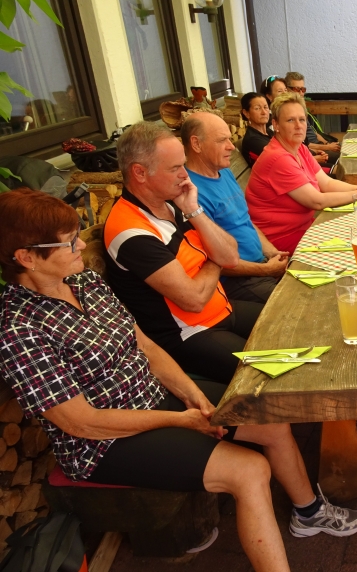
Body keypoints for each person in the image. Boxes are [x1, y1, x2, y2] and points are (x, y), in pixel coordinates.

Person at [0, 189, 357, 572]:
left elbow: (145, 346)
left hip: (153, 397)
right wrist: (183, 419)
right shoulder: (18, 329)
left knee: (268, 420)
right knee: (249, 470)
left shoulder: (84, 282)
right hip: (103, 444)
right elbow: (81, 423)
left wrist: (194, 397)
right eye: (68, 242)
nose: (79, 246)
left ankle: (308, 512)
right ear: (26, 257)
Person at [103, 121, 255, 384]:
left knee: (289, 324)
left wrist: (194, 211)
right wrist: (214, 259)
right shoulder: (130, 231)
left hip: (222, 309)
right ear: (139, 172)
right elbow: (194, 299)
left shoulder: (173, 203)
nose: (185, 175)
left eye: (183, 165)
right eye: (175, 168)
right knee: (267, 370)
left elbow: (230, 256)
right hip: (190, 334)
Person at [246, 92, 357, 254]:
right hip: (280, 239)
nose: (298, 126)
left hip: (303, 227)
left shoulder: (299, 148)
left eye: (302, 119)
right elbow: (316, 201)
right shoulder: (278, 158)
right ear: (276, 124)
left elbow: (327, 183)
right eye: (290, 120)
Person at [183, 111, 289, 304]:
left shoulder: (224, 172)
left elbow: (244, 220)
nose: (231, 146)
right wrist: (265, 270)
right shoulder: (190, 193)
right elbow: (213, 260)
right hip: (237, 281)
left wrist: (272, 252)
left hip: (261, 265)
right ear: (196, 144)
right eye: (221, 140)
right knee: (293, 303)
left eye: (230, 139)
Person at [284, 71, 340, 167]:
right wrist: (327, 147)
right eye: (297, 89)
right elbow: (302, 143)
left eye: (303, 89)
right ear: (287, 89)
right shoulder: (286, 112)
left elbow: (313, 132)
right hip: (309, 153)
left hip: (315, 149)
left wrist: (326, 143)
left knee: (346, 150)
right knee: (344, 157)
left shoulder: (300, 107)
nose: (301, 93)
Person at [240, 92, 273, 168]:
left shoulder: (268, 131)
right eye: (257, 108)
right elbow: (279, 155)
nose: (264, 112)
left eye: (265, 107)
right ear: (246, 113)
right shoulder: (252, 140)